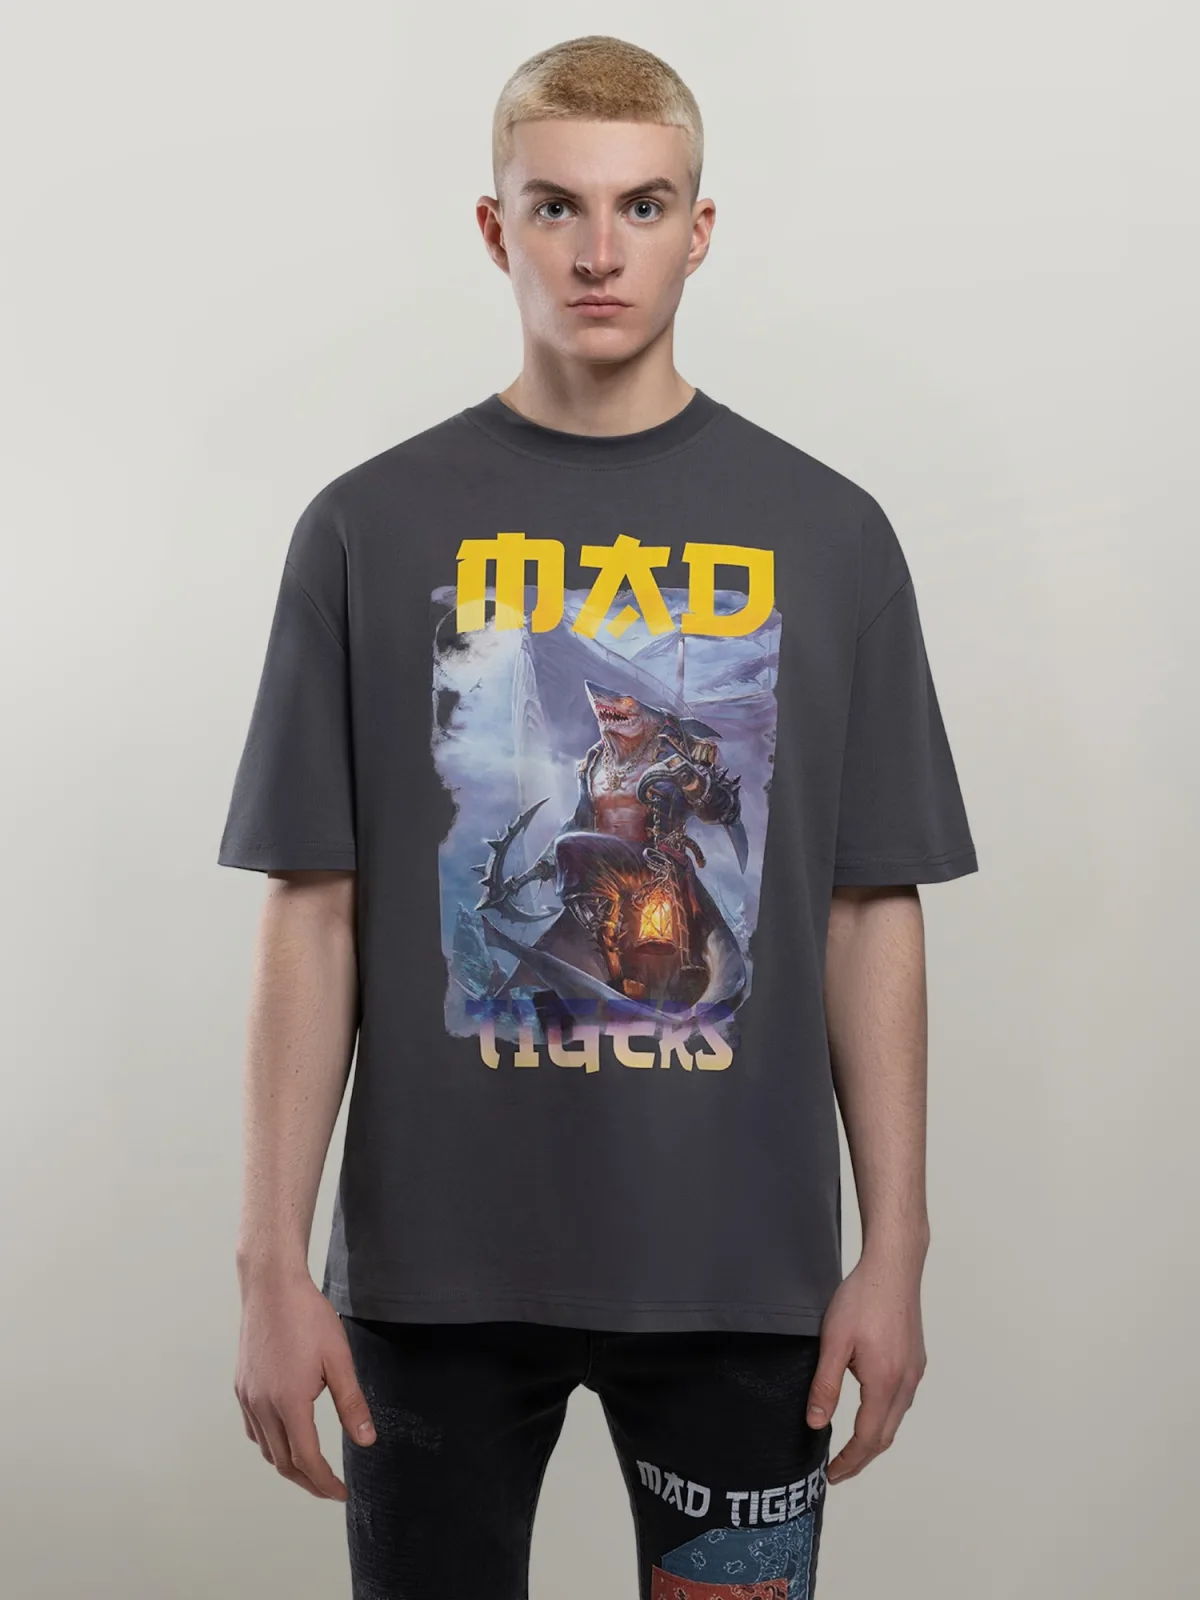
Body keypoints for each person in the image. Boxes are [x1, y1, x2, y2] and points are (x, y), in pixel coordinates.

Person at [219, 33, 978, 1600]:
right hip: (432, 1281)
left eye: (643, 206)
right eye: (554, 206)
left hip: (742, 1279)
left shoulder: (830, 532)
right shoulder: (367, 527)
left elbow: (866, 908)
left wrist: (895, 1246)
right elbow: (316, 908)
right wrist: (268, 1263)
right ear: (493, 228)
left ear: (701, 228)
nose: (598, 251)